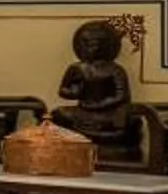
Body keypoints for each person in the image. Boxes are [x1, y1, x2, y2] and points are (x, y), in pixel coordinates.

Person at [54, 19, 135, 147]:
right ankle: (83, 137)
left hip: (107, 113)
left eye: (96, 44)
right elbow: (63, 91)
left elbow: (121, 95)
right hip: (83, 110)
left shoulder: (115, 69)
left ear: (107, 46)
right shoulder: (77, 68)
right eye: (86, 44)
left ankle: (89, 136)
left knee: (131, 121)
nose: (92, 48)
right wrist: (75, 92)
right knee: (58, 114)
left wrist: (100, 105)